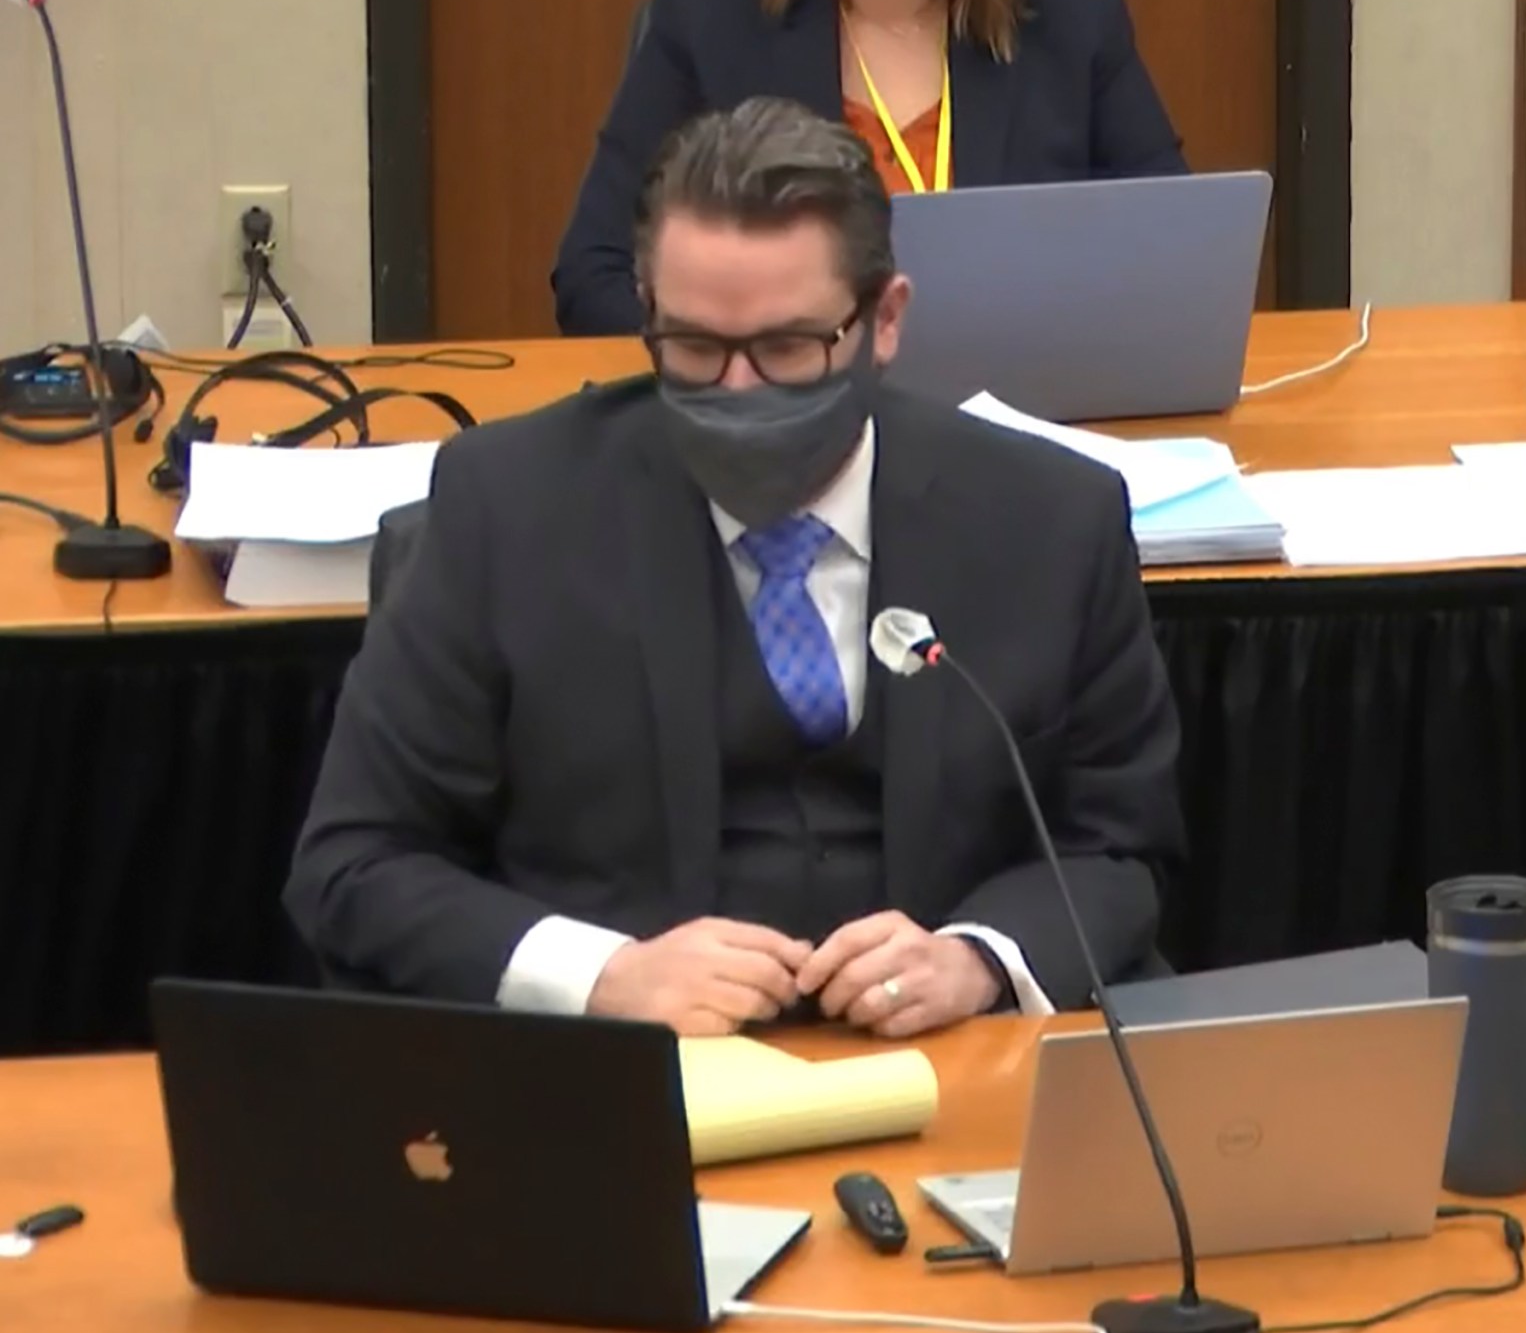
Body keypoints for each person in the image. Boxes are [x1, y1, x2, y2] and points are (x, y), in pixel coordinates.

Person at [290, 97, 1184, 1039]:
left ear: (884, 321)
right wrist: (605, 975)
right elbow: (355, 865)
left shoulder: (1049, 520)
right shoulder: (508, 510)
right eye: (696, 347)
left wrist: (977, 959)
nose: (738, 389)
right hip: (629, 1075)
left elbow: (1124, 849)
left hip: (948, 1063)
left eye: (788, 347)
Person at [553, 0, 1189, 336]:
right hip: (789, 434)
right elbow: (594, 274)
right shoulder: (708, 14)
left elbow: (1177, 254)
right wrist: (746, 359)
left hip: (1018, 439)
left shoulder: (1072, 12)